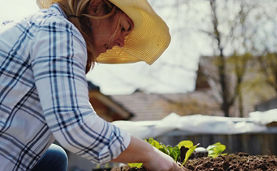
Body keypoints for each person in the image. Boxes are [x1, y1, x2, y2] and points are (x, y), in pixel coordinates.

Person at [0, 0, 184, 170]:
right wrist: (151, 155)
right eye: (122, 28)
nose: (121, 43)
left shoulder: (36, 26)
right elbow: (75, 126)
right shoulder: (59, 31)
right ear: (95, 6)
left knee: (54, 157)